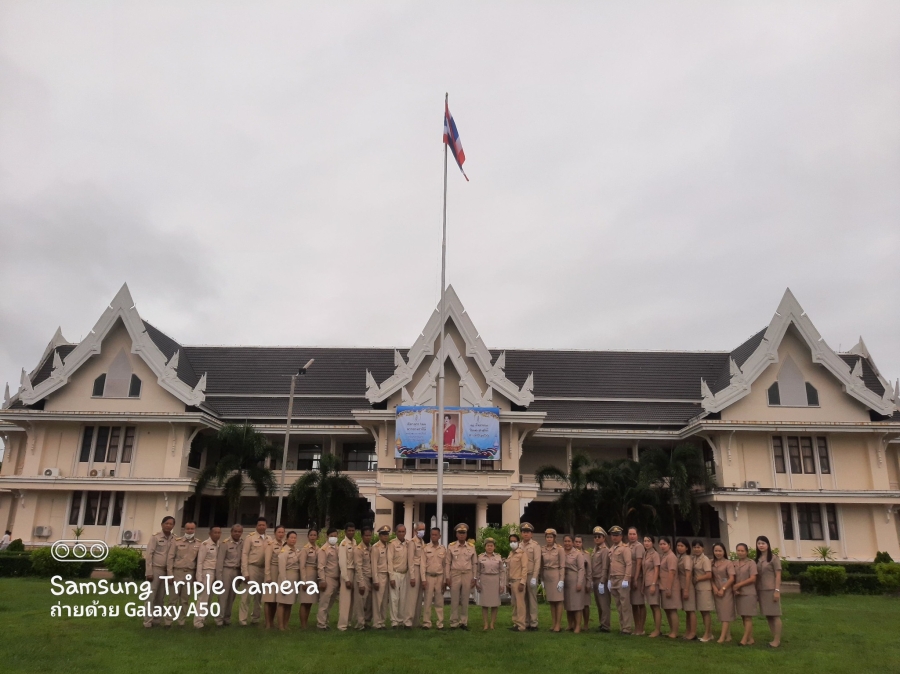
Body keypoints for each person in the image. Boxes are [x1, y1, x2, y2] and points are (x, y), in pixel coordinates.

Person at [142, 515, 175, 628]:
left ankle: (156, 620)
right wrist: (149, 572)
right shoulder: (155, 537)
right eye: (166, 523)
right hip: (155, 570)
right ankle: (147, 622)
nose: (168, 525)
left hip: (166, 572)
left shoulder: (174, 538)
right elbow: (149, 555)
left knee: (160, 598)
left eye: (171, 524)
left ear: (173, 526)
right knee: (151, 596)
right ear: (162, 524)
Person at [166, 520, 201, 627]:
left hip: (190, 573)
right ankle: (168, 621)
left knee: (185, 600)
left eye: (192, 529)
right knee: (173, 599)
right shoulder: (176, 541)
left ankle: (181, 621)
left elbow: (199, 561)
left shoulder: (199, 543)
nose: (190, 531)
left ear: (195, 530)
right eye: (188, 529)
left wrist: (197, 577)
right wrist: (170, 574)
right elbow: (170, 558)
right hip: (177, 572)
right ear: (184, 529)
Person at [446, 523, 478, 630]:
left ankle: (464, 622)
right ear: (456, 534)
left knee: (465, 599)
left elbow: (474, 563)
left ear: (466, 534)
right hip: (455, 574)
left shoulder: (471, 547)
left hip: (467, 574)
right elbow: (447, 563)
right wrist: (447, 577)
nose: (461, 535)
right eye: (460, 533)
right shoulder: (451, 546)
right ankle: (453, 622)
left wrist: (474, 577)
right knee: (454, 599)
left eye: (463, 533)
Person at [239, 516, 269, 626]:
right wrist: (245, 572)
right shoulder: (250, 538)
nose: (262, 527)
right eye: (259, 525)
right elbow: (244, 554)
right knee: (246, 595)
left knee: (259, 595)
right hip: (252, 567)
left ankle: (255, 618)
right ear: (256, 526)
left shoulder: (269, 539)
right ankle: (243, 620)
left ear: (267, 526)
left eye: (263, 525)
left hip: (263, 569)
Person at [755, 535, 783, 648]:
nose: (761, 545)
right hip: (761, 590)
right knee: (768, 615)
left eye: (763, 543)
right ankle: (774, 637)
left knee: (775, 615)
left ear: (768, 545)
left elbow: (778, 575)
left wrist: (777, 590)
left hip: (771, 590)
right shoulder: (757, 559)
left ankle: (777, 640)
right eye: (759, 543)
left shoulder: (774, 558)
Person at [215, 523, 244, 627]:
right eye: (235, 531)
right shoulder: (225, 543)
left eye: (239, 531)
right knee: (223, 596)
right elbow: (219, 562)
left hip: (237, 572)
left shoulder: (242, 543)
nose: (237, 533)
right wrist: (219, 578)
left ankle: (227, 618)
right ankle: (219, 619)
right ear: (231, 532)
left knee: (232, 596)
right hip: (226, 571)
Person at [193, 526, 221, 629]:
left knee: (209, 598)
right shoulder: (205, 544)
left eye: (219, 532)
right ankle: (198, 621)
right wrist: (199, 579)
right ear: (210, 533)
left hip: (215, 573)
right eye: (215, 532)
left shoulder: (219, 544)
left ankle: (204, 619)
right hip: (206, 572)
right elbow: (200, 562)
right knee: (203, 598)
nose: (217, 534)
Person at [607, 526, 633, 634]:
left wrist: (626, 578)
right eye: (613, 535)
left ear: (621, 536)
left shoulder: (625, 548)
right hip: (613, 578)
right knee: (618, 604)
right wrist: (609, 579)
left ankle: (627, 628)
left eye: (617, 535)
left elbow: (629, 564)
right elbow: (611, 565)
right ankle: (622, 626)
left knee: (625, 604)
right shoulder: (611, 549)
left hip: (622, 578)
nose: (614, 537)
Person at [732, 543, 758, 646]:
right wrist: (735, 587)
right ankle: (750, 638)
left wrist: (739, 585)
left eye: (742, 551)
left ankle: (744, 640)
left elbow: (753, 578)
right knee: (743, 616)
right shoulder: (734, 563)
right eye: (738, 550)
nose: (740, 552)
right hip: (739, 594)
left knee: (748, 617)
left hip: (748, 593)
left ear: (746, 552)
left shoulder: (751, 563)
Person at [421, 527, 447, 630]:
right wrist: (423, 579)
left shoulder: (443, 549)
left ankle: (440, 623)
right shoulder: (426, 548)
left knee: (439, 601)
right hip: (429, 576)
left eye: (436, 535)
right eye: (432, 535)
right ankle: (426, 623)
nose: (434, 536)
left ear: (439, 536)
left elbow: (445, 566)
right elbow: (423, 565)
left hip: (439, 577)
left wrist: (445, 581)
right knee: (427, 601)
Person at [540, 528, 565, 632]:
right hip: (546, 575)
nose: (549, 539)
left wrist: (561, 579)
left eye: (551, 537)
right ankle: (553, 623)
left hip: (556, 574)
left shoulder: (560, 549)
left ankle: (558, 624)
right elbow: (541, 565)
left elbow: (562, 565)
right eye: (547, 537)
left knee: (558, 600)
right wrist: (541, 579)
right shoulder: (542, 549)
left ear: (554, 538)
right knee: (551, 601)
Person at [711, 542, 735, 644]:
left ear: (724, 551)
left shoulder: (728, 563)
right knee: (721, 612)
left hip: (726, 591)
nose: (718, 553)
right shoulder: (711, 562)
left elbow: (732, 578)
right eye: (716, 550)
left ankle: (722, 637)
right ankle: (728, 636)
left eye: (720, 550)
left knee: (726, 613)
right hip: (716, 590)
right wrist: (715, 588)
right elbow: (710, 577)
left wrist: (723, 589)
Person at [476, 537, 503, 630]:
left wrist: (502, 583)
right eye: (488, 546)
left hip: (495, 580)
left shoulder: (498, 557)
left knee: (495, 603)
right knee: (485, 603)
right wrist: (477, 582)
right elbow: (478, 571)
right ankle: (485, 624)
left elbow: (502, 571)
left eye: (491, 546)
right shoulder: (480, 557)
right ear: (485, 547)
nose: (490, 547)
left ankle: (492, 624)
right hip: (484, 580)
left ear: (494, 547)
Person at [263, 525, 286, 629]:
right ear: (275, 533)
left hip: (280, 572)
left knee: (276, 599)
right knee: (269, 598)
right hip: (271, 571)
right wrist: (268, 575)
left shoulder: (285, 545)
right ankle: (268, 623)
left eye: (282, 532)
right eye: (279, 532)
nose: (281, 534)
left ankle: (272, 622)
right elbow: (267, 561)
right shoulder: (270, 544)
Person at [276, 531, 301, 631]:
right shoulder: (284, 551)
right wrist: (284, 582)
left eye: (295, 538)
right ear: (286, 539)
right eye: (291, 538)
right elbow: (281, 569)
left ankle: (286, 624)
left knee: (289, 603)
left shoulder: (297, 550)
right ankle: (280, 625)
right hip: (286, 577)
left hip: (294, 579)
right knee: (282, 603)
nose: (293, 540)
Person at [316, 527, 340, 630]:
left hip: (337, 578)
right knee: (324, 603)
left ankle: (326, 622)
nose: (333, 538)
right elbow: (321, 566)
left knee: (330, 603)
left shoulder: (337, 547)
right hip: (328, 578)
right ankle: (321, 624)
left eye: (335, 536)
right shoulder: (324, 549)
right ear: (327, 536)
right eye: (331, 536)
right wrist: (322, 580)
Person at [387, 523, 410, 628]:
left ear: (405, 532)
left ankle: (401, 620)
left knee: (403, 599)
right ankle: (394, 621)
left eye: (403, 531)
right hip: (395, 573)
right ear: (396, 532)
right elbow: (389, 561)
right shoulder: (392, 544)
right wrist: (391, 577)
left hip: (405, 574)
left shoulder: (408, 544)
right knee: (394, 598)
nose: (401, 533)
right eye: (399, 531)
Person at [658, 536, 681, 639]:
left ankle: (675, 632)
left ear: (669, 545)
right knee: (667, 609)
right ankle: (671, 630)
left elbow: (672, 572)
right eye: (661, 544)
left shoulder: (671, 556)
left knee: (672, 610)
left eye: (664, 544)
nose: (662, 546)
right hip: (663, 586)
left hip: (670, 586)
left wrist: (669, 588)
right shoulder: (664, 556)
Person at [691, 539, 714, 642]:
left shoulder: (705, 559)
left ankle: (707, 634)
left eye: (698, 547)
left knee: (705, 612)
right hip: (698, 588)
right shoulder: (694, 558)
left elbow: (709, 574)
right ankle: (709, 633)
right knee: (702, 611)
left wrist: (697, 579)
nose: (696, 549)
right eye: (695, 547)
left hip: (704, 588)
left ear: (703, 548)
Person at [520, 523, 542, 630]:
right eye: (524, 532)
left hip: (531, 575)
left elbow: (537, 562)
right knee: (523, 600)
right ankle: (525, 621)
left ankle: (533, 623)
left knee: (532, 599)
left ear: (531, 534)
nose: (526, 534)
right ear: (521, 534)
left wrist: (534, 577)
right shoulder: (519, 545)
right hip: (521, 576)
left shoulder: (535, 545)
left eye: (528, 532)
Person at [561, 535, 585, 633]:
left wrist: (579, 582)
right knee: (568, 604)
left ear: (572, 542)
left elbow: (581, 569)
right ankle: (570, 624)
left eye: (569, 541)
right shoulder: (561, 552)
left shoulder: (577, 554)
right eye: (565, 541)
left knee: (577, 605)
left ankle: (578, 626)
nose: (567, 543)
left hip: (575, 580)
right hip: (565, 580)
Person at [406, 521, 427, 627]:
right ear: (415, 531)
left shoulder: (422, 542)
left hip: (421, 570)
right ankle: (408, 621)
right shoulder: (412, 542)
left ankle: (416, 621)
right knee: (412, 597)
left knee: (419, 598)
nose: (422, 531)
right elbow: (410, 560)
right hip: (414, 569)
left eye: (423, 529)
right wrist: (412, 576)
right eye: (420, 529)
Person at [336, 522, 357, 632]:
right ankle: (342, 625)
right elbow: (342, 563)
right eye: (349, 530)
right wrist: (346, 579)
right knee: (345, 600)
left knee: (352, 600)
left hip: (354, 571)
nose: (351, 532)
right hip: (347, 572)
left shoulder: (354, 542)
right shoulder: (343, 544)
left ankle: (348, 622)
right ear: (345, 531)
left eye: (353, 530)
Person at [370, 525, 392, 629]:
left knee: (384, 601)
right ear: (379, 536)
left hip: (387, 575)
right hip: (379, 574)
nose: (385, 537)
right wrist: (375, 580)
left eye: (387, 534)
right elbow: (374, 565)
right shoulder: (376, 547)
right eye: (383, 535)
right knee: (377, 600)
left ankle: (382, 622)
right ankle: (376, 622)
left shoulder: (388, 546)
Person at [590, 527, 611, 633]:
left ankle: (606, 625)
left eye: (599, 536)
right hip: (594, 579)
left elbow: (605, 567)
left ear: (604, 538)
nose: (597, 538)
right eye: (595, 537)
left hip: (601, 579)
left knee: (604, 603)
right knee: (598, 603)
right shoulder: (595, 550)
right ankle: (602, 623)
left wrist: (603, 581)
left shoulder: (605, 550)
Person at [298, 528, 319, 628]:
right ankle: (303, 624)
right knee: (304, 601)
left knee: (310, 601)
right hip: (307, 574)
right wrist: (303, 581)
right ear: (308, 536)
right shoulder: (305, 549)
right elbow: (302, 566)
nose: (313, 537)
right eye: (311, 535)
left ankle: (306, 621)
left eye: (314, 535)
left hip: (314, 577)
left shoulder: (318, 549)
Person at [353, 526, 374, 630]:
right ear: (362, 536)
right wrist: (361, 583)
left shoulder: (371, 548)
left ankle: (366, 621)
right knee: (361, 601)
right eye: (366, 535)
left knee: (369, 602)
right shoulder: (358, 549)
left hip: (370, 578)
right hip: (363, 577)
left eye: (370, 535)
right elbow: (358, 567)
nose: (368, 537)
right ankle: (360, 624)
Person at [506, 532, 527, 632]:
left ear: (518, 542)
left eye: (514, 541)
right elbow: (508, 569)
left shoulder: (522, 554)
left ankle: (521, 625)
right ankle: (515, 623)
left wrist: (522, 582)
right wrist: (507, 582)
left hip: (519, 581)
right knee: (514, 604)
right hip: (512, 581)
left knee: (520, 605)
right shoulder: (510, 554)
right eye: (511, 541)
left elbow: (524, 569)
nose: (512, 543)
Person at [676, 538, 696, 640]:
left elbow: (688, 575)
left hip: (687, 586)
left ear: (687, 547)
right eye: (678, 546)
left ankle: (692, 633)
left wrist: (687, 589)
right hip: (682, 586)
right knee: (687, 611)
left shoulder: (687, 558)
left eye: (682, 546)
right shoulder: (680, 557)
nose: (679, 548)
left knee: (691, 610)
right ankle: (688, 631)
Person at [627, 527, 646, 636]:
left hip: (637, 578)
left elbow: (639, 563)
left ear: (637, 535)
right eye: (630, 534)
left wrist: (635, 578)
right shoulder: (628, 546)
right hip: (629, 577)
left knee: (640, 603)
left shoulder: (639, 547)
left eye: (634, 534)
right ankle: (636, 626)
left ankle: (641, 627)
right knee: (633, 603)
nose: (632, 536)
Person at [642, 535, 662, 637]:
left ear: (653, 543)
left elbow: (656, 569)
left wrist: (654, 584)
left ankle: (657, 630)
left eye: (648, 541)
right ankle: (656, 628)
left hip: (652, 583)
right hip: (646, 582)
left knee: (655, 606)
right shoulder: (645, 553)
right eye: (645, 541)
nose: (646, 543)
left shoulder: (655, 554)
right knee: (652, 606)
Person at [573, 535, 592, 629]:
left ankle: (586, 624)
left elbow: (589, 570)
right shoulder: (569, 553)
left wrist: (588, 583)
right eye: (576, 542)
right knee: (574, 603)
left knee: (585, 604)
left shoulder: (586, 554)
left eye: (579, 542)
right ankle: (574, 624)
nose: (577, 544)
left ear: (582, 543)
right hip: (573, 580)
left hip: (584, 581)